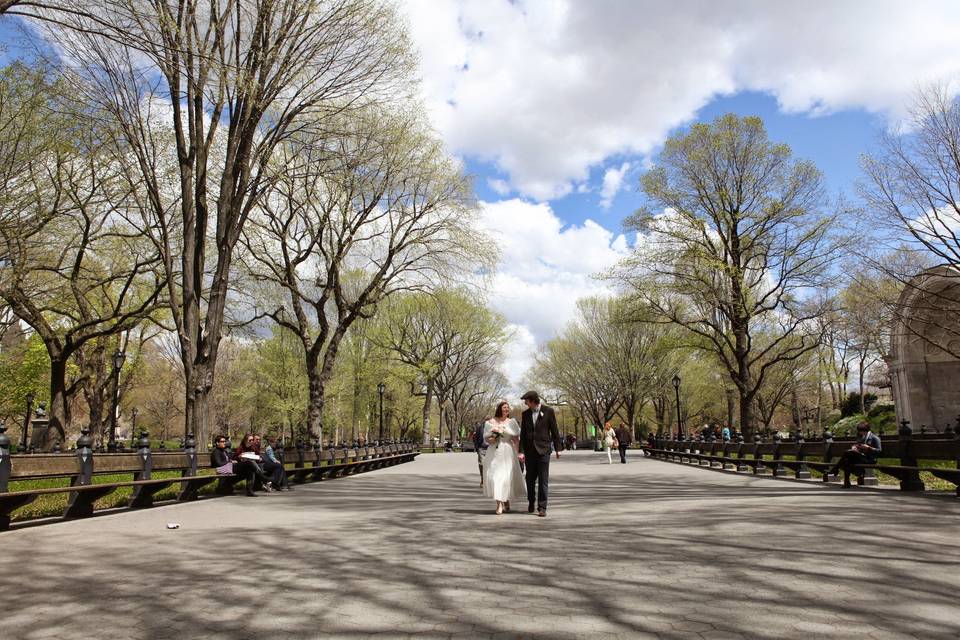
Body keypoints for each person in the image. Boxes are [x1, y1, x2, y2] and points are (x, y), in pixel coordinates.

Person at [519, 390, 561, 517]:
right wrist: (521, 451)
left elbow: (554, 430)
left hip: (544, 451)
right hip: (530, 452)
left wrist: (558, 448)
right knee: (529, 480)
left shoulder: (548, 411)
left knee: (543, 480)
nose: (525, 403)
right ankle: (531, 501)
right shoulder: (525, 414)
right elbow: (523, 434)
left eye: (527, 401)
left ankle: (542, 507)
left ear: (533, 401)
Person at [482, 400, 525, 514]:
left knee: (506, 478)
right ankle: (499, 504)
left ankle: (505, 499)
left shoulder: (512, 422)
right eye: (504, 407)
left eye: (508, 407)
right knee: (496, 478)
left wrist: (518, 453)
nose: (507, 409)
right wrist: (493, 438)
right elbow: (486, 439)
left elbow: (516, 439)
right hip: (494, 452)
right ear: (499, 408)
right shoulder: (490, 422)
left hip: (508, 452)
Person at [829, 421, 882, 487]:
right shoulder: (862, 436)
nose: (859, 433)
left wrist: (868, 448)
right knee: (847, 460)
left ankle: (836, 469)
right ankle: (846, 482)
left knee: (847, 453)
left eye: (860, 431)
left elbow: (879, 451)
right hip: (861, 457)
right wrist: (855, 448)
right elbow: (858, 445)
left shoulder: (875, 438)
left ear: (864, 430)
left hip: (869, 459)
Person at [473, 421, 489, 486]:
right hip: (481, 448)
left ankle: (488, 479)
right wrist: (477, 448)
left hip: (490, 448)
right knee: (481, 464)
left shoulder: (493, 428)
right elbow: (475, 438)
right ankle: (482, 478)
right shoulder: (480, 428)